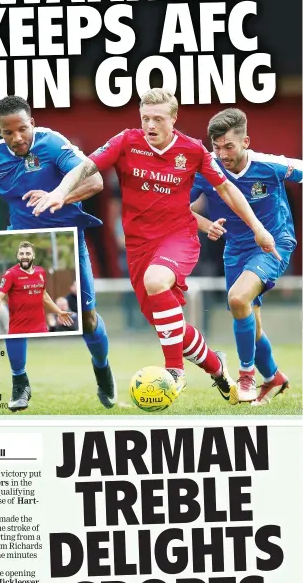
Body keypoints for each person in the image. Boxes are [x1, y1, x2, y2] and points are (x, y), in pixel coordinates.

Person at [30, 88, 279, 407]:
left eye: (158, 119)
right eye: (145, 118)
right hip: (138, 247)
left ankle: (173, 372)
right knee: (170, 324)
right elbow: (87, 167)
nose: (150, 125)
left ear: (174, 119)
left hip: (179, 238)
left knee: (156, 283)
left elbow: (226, 189)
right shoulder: (126, 141)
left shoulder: (192, 150)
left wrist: (258, 229)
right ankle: (217, 369)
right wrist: (60, 192)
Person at [0, 95, 115, 412]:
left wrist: (59, 197)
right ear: (0, 131)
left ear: (32, 124)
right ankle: (20, 384)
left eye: (22, 129)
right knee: (16, 315)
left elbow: (94, 180)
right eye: (7, 132)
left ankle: (102, 368)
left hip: (66, 238)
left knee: (89, 319)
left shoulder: (53, 145)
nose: (17, 138)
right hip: (23, 238)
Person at [190, 107, 302, 405]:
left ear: (246, 142)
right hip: (235, 250)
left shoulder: (271, 165)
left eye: (229, 146)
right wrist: (205, 225)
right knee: (250, 324)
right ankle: (274, 377)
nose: (222, 153)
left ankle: (246, 375)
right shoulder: (207, 171)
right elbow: (177, 209)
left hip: (274, 243)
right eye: (216, 147)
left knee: (238, 300)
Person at [0, 240, 73, 336]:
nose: (24, 256)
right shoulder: (11, 274)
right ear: (18, 256)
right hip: (18, 330)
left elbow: (44, 296)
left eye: (28, 253)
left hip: (40, 329)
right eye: (21, 254)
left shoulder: (40, 272)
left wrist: (59, 311)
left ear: (33, 256)